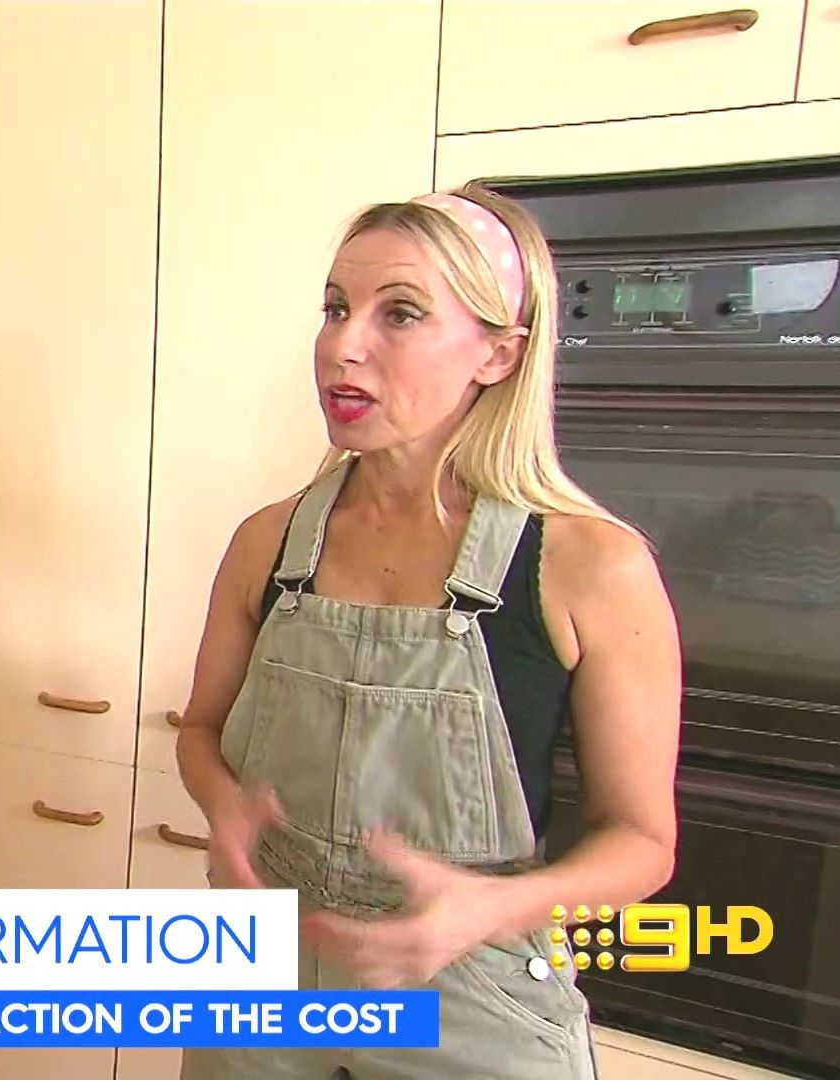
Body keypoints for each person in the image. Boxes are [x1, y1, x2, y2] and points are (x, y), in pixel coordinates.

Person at [175, 185, 682, 1079]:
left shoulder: (590, 567)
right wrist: (225, 808)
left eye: (399, 313)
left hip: (469, 997)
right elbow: (201, 733)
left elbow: (641, 844)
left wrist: (487, 909)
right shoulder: (268, 543)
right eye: (336, 307)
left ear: (498, 353)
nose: (343, 344)